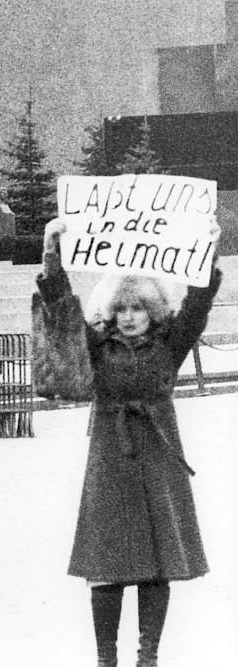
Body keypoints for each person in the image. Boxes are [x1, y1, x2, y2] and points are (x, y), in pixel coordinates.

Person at [39, 218, 221, 667]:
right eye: (122, 308)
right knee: (107, 563)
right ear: (111, 310)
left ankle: (148, 656)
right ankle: (106, 659)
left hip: (159, 457)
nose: (130, 316)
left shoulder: (170, 344)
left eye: (138, 308)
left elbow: (198, 303)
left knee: (157, 563)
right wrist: (51, 249)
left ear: (152, 309)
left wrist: (208, 248)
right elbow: (61, 304)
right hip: (111, 458)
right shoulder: (96, 346)